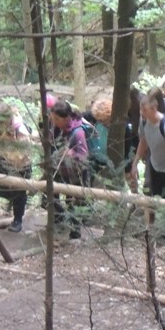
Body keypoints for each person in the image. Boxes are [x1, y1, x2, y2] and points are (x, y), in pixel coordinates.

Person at [129, 91, 165, 240]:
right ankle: (154, 228)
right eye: (141, 110)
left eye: (144, 110)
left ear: (154, 109)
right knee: (156, 198)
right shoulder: (144, 121)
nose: (141, 113)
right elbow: (143, 141)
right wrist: (135, 163)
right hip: (155, 166)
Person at [0, 102, 34, 233]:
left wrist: (8, 155)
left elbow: (24, 153)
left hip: (20, 166)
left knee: (18, 193)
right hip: (3, 162)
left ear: (8, 119)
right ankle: (15, 201)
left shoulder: (20, 130)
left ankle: (18, 220)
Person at [49, 99, 90, 240]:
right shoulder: (57, 129)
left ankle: (75, 234)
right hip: (62, 171)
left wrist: (71, 154)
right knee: (48, 195)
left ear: (67, 118)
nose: (54, 122)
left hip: (77, 174)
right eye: (53, 118)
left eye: (57, 119)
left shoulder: (78, 133)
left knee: (74, 202)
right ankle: (61, 218)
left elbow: (83, 157)